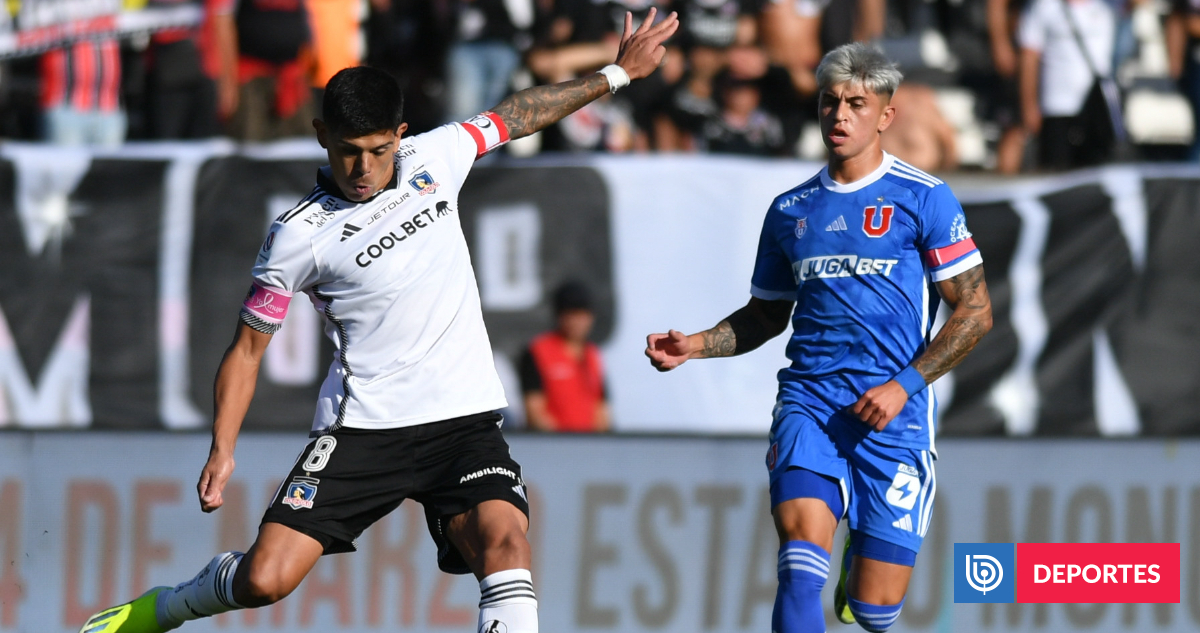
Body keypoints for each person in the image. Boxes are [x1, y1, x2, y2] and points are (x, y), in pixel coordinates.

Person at [78, 9, 678, 633]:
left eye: (378, 150)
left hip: (461, 422)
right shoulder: (297, 236)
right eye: (348, 152)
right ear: (321, 135)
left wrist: (615, 74)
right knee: (265, 579)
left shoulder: (437, 155)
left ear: (401, 134)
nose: (363, 169)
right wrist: (222, 450)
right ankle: (166, 607)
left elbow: (520, 111)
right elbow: (247, 351)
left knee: (506, 546)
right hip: (365, 428)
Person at [645, 42, 992, 632]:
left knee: (876, 612)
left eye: (857, 104)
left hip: (893, 416)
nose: (840, 115)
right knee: (800, 563)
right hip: (811, 404)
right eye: (831, 102)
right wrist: (695, 345)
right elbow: (766, 315)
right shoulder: (791, 210)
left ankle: (863, 563)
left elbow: (976, 312)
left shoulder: (924, 198)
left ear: (885, 115)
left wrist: (903, 387)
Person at [519, 281, 611, 432]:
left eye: (582, 315)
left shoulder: (593, 355)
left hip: (590, 443)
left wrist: (599, 441)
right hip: (553, 443)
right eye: (571, 315)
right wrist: (563, 442)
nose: (577, 322)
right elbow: (535, 412)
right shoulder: (538, 351)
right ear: (559, 316)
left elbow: (602, 410)